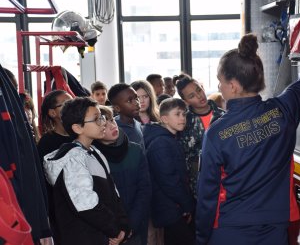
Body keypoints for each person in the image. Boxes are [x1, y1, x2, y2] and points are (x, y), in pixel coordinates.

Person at [195, 30, 300, 245]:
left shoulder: (216, 133)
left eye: (220, 81)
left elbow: (207, 196)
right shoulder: (285, 109)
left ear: (233, 86)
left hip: (229, 230)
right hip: (274, 229)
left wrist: (201, 238)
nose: (219, 88)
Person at [43, 97, 129, 245]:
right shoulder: (72, 159)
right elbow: (86, 206)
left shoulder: (94, 152)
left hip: (104, 235)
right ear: (78, 128)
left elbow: (114, 194)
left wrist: (122, 226)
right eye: (96, 119)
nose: (103, 123)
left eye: (101, 117)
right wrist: (114, 230)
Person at [93, 105, 152, 245]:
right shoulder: (92, 156)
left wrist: (130, 225)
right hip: (108, 232)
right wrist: (113, 230)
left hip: (135, 227)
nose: (112, 126)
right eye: (104, 124)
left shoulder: (135, 150)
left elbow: (144, 189)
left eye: (112, 120)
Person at [143, 98, 195, 245]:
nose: (182, 118)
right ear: (164, 119)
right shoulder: (161, 143)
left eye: (184, 114)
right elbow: (169, 181)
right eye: (177, 114)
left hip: (173, 207)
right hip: (170, 208)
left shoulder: (169, 138)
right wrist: (186, 205)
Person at [175, 73, 224, 199]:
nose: (199, 96)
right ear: (186, 101)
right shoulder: (183, 123)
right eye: (192, 96)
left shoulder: (224, 117)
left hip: (226, 182)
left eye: (199, 90)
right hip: (197, 187)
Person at [37, 90, 74, 162]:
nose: (73, 107)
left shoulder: (82, 134)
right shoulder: (46, 142)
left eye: (73, 103)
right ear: (52, 113)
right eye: (66, 104)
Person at [108, 83, 145, 149]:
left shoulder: (137, 124)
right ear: (117, 108)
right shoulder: (115, 129)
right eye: (129, 101)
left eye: (136, 98)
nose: (136, 103)